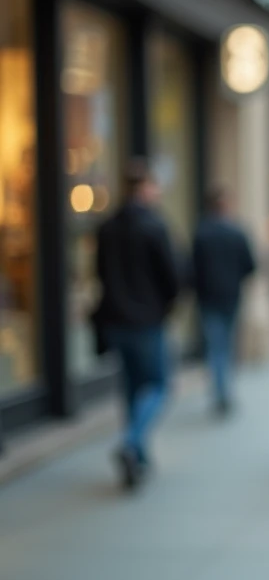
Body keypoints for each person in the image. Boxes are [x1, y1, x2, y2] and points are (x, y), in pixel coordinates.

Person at [94, 159, 180, 490]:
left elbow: (100, 273)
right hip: (146, 321)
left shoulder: (107, 227)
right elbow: (171, 276)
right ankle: (132, 442)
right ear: (144, 188)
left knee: (131, 388)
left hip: (116, 321)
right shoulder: (154, 226)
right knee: (158, 385)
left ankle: (138, 457)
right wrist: (166, 306)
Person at [192, 187, 257, 417]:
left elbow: (193, 269)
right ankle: (224, 391)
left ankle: (220, 391)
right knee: (227, 345)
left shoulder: (202, 233)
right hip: (230, 297)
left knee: (215, 346)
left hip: (208, 298)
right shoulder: (236, 232)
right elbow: (250, 266)